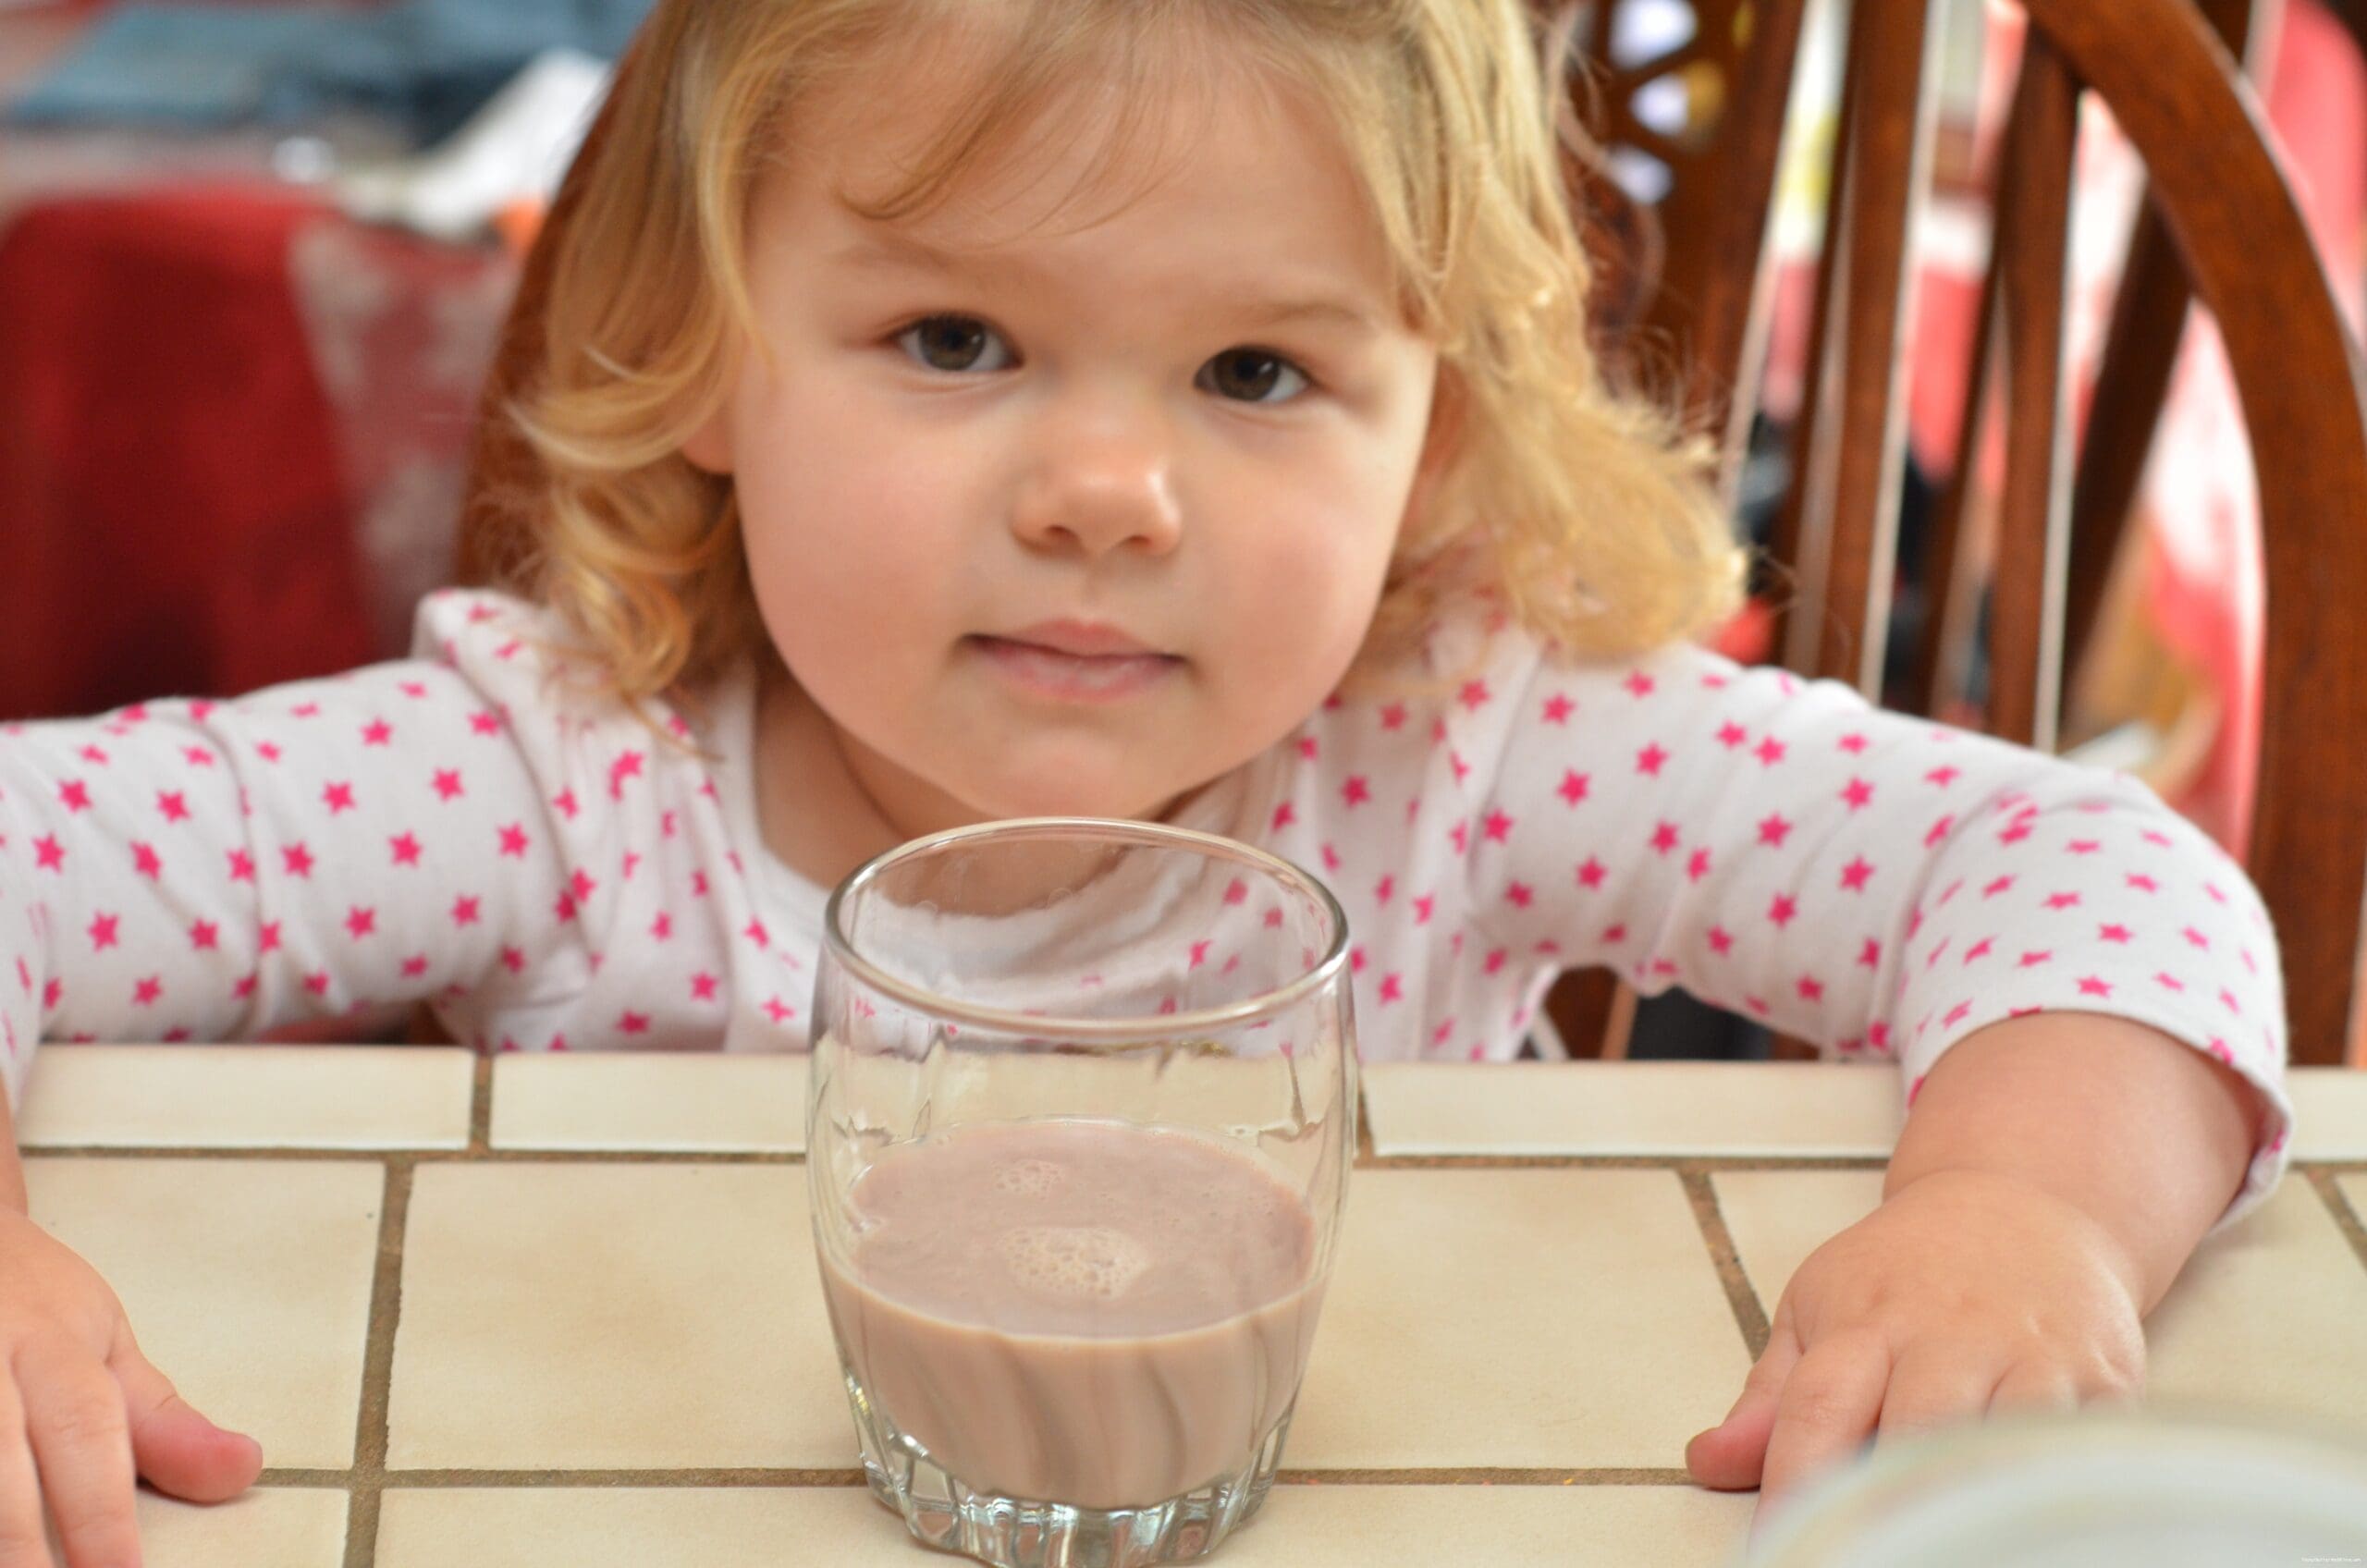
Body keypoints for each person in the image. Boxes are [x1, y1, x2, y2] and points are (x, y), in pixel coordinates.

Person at [0, 0, 2286, 1562]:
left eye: (1254, 369)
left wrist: (2030, 1209)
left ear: (1437, 436)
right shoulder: (563, 774)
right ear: (698, 348)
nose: (1104, 491)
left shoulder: (1469, 749)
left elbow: (2074, 850)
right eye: (956, 338)